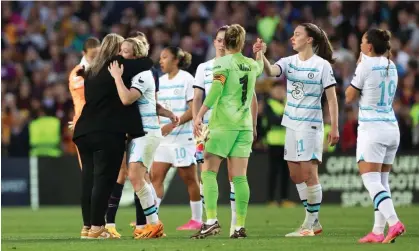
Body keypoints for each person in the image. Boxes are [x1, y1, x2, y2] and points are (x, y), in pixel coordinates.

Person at [253, 22, 340, 237]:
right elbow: (271, 70)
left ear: (309, 39)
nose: (293, 38)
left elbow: (332, 99)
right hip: (290, 124)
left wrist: (335, 127)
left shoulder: (322, 65)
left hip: (310, 125)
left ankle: (309, 225)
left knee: (310, 173)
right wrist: (261, 55)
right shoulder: (289, 62)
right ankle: (314, 221)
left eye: (297, 34)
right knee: (295, 174)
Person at [73, 33, 153, 239]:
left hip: (83, 131)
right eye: (122, 49)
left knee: (87, 179)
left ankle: (87, 227)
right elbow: (148, 62)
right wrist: (131, 52)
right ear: (118, 49)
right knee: (104, 180)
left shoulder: (90, 71)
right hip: (107, 132)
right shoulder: (117, 65)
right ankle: (98, 227)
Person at [191, 24, 263, 239]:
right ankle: (239, 226)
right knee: (240, 178)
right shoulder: (250, 64)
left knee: (208, 172)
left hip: (222, 125)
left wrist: (199, 114)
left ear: (227, 42)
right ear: (241, 43)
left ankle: (211, 220)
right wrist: (259, 53)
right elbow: (260, 67)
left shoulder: (222, 64)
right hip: (244, 127)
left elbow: (216, 91)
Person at [109, 37, 179, 239]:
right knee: (139, 177)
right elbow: (151, 104)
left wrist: (116, 78)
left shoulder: (142, 75)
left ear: (136, 54)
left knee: (136, 177)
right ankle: (153, 224)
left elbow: (127, 98)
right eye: (120, 50)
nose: (121, 55)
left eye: (125, 51)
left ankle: (154, 224)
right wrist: (167, 113)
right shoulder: (139, 75)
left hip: (146, 133)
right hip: (142, 133)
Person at [345, 29, 405, 244]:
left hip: (372, 129)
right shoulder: (392, 65)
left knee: (370, 180)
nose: (360, 45)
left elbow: (349, 96)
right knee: (382, 181)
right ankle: (378, 231)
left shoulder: (366, 65)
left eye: (362, 42)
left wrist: (359, 68)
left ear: (369, 46)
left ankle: (394, 222)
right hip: (391, 128)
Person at [192, 25, 243, 235]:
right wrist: (197, 120)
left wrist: (253, 122)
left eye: (225, 39)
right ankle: (211, 218)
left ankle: (233, 224)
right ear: (214, 42)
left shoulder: (237, 66)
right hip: (208, 127)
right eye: (219, 40)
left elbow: (251, 98)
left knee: (233, 175)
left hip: (231, 124)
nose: (222, 43)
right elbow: (197, 97)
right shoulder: (204, 68)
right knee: (205, 174)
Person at [151, 46, 202, 230]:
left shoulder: (187, 79)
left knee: (189, 178)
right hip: (163, 139)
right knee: (155, 177)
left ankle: (197, 219)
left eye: (165, 57)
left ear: (176, 60)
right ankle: (152, 220)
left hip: (183, 138)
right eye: (160, 57)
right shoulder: (160, 80)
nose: (161, 61)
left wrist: (172, 124)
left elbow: (193, 109)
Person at [68, 37, 100, 167]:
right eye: (93, 56)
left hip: (103, 124)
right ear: (83, 54)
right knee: (89, 170)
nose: (96, 59)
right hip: (85, 126)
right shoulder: (77, 74)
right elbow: (89, 97)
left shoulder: (104, 69)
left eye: (99, 55)